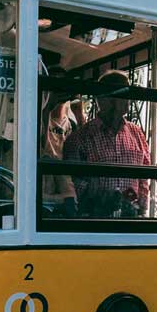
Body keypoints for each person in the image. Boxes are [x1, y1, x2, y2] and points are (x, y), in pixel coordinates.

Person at [62, 70, 151, 217]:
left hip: (130, 218)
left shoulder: (137, 133)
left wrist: (141, 210)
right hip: (94, 219)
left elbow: (144, 175)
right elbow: (73, 184)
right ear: (103, 99)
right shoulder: (80, 138)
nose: (128, 100)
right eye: (122, 94)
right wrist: (102, 198)